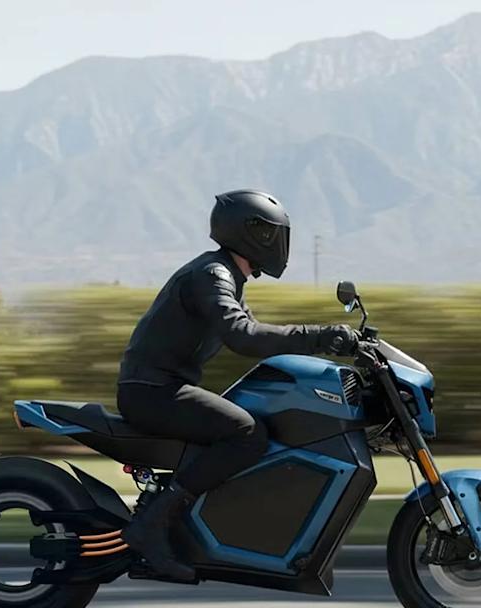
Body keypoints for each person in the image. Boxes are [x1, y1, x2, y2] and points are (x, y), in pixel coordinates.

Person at [117, 189, 359, 580]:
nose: (280, 244)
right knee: (246, 432)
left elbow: (257, 332)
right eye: (275, 234)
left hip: (159, 387)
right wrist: (320, 335)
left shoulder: (223, 274)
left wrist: (325, 344)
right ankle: (151, 525)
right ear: (255, 233)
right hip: (152, 392)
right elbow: (243, 335)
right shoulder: (212, 274)